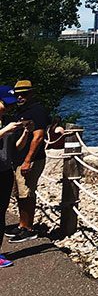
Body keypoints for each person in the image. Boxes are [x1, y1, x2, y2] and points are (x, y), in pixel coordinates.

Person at [5, 80, 50, 244]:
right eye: (18, 94)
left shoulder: (37, 111)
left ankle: (28, 228)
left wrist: (28, 160)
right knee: (19, 193)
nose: (20, 96)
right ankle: (22, 224)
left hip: (30, 159)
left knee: (27, 193)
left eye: (24, 93)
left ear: (32, 93)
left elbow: (38, 137)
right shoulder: (22, 111)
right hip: (18, 159)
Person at [0, 87, 31, 267]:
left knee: (1, 213)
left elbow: (16, 148)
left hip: (4, 172)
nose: (9, 108)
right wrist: (5, 130)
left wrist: (26, 133)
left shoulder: (8, 121)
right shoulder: (6, 125)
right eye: (5, 104)